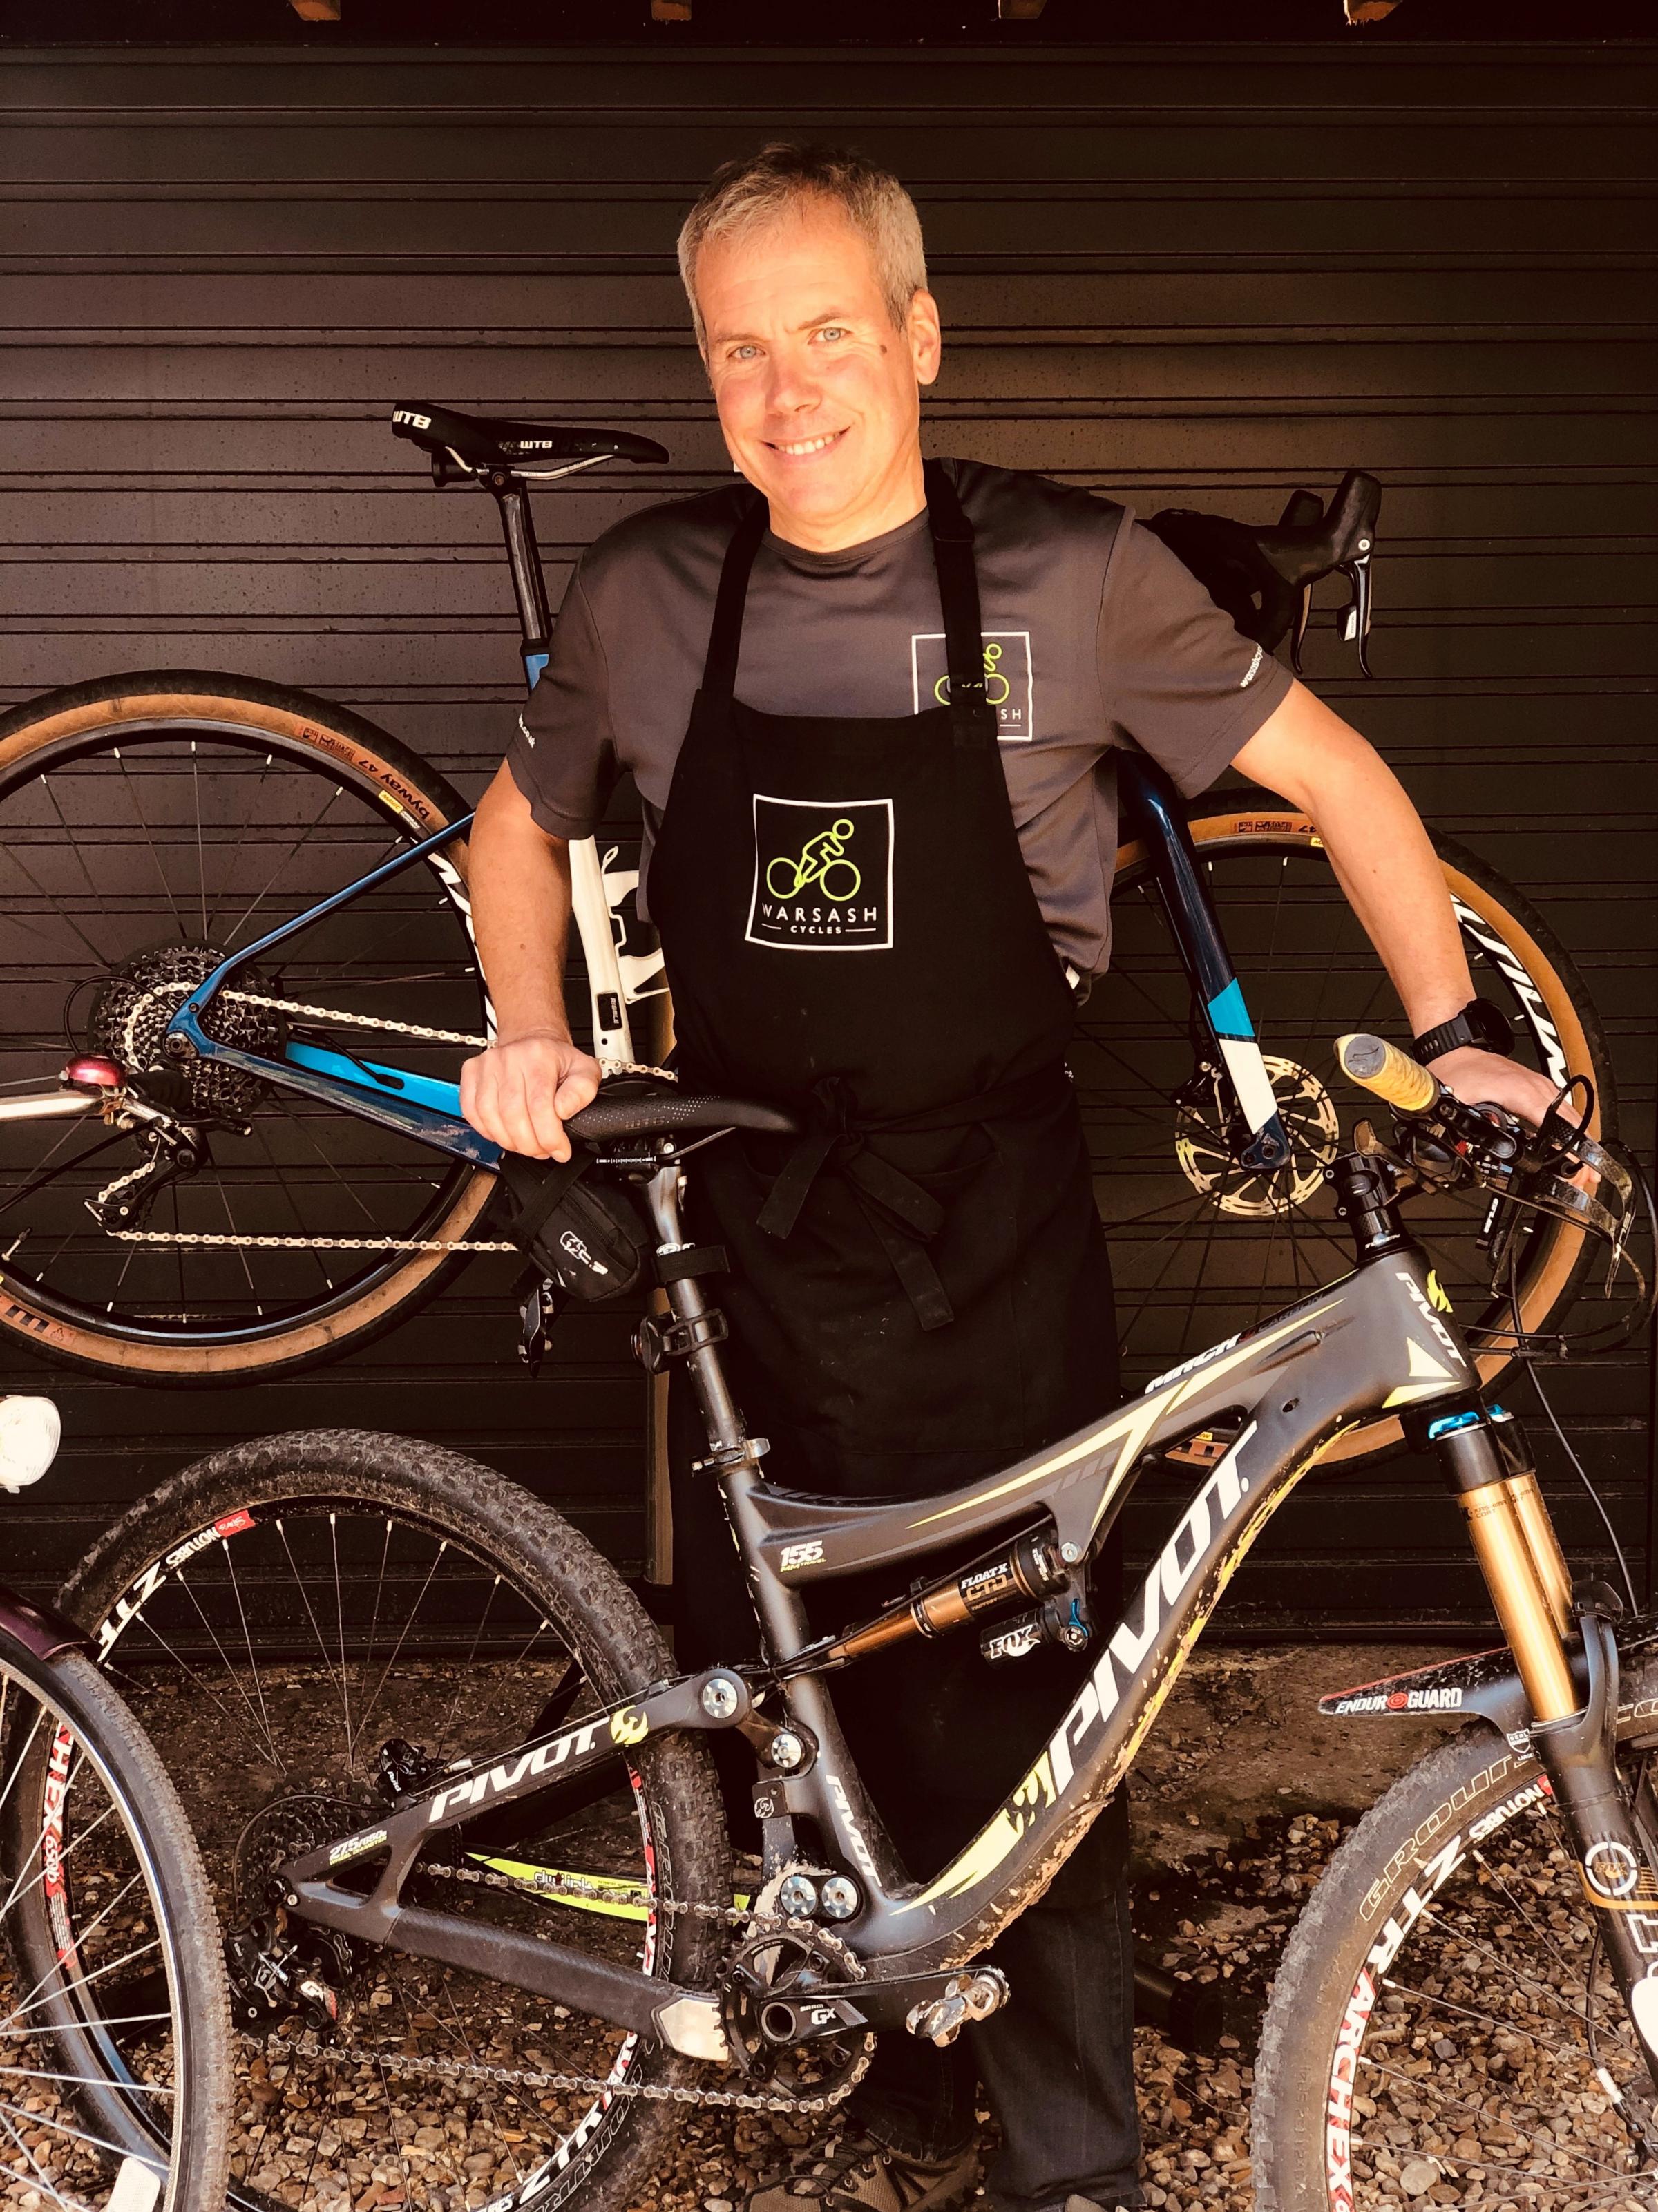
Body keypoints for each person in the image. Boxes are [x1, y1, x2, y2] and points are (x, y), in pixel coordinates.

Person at [459, 142, 1561, 2212]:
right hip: (746, 1209)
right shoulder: (645, 597)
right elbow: (513, 827)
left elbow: (1341, 782)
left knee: (1047, 1684)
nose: (790, 395)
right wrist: (528, 1025)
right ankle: (876, 2070)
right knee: (794, 1676)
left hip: (992, 1213)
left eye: (831, 338)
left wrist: (1444, 1028)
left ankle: (1069, 2157)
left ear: (920, 339)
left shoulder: (1075, 572)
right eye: (740, 355)